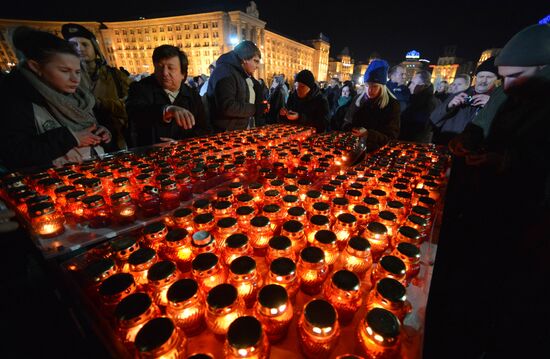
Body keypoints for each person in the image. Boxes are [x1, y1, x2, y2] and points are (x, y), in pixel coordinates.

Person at [424, 23, 550, 359]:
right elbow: (482, 126)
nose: (506, 86)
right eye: (503, 78)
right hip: (484, 206)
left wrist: (504, 160)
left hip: (526, 226)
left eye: (516, 76)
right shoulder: (508, 96)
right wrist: (468, 141)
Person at [0, 27, 111, 170]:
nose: (75, 79)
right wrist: (71, 138)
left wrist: (101, 133)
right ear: (35, 67)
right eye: (64, 71)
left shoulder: (79, 97)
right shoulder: (15, 101)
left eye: (77, 72)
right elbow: (15, 154)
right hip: (52, 184)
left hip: (93, 173)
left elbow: (88, 129)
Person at [62, 23, 131, 150]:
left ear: (95, 47)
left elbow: (130, 107)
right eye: (73, 45)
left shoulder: (116, 75)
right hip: (84, 144)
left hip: (117, 138)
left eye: (84, 44)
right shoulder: (63, 79)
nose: (79, 49)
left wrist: (99, 103)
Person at [125, 45, 209, 147]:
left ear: (183, 73)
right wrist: (166, 110)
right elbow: (135, 111)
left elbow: (203, 130)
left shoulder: (192, 95)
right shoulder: (141, 88)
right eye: (160, 67)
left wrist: (181, 144)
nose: (164, 73)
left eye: (170, 68)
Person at [430, 57, 499, 145]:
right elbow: (433, 120)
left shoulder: (499, 99)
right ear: (475, 77)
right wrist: (448, 107)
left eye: (489, 77)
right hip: (449, 145)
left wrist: (492, 106)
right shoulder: (459, 94)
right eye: (481, 76)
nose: (484, 80)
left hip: (477, 152)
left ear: (496, 80)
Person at [206, 40, 267, 132]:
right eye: (255, 61)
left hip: (235, 131)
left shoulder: (240, 74)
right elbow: (227, 106)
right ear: (244, 59)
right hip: (224, 133)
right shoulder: (225, 72)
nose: (257, 66)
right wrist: (255, 108)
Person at [342, 59, 400, 151]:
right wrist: (352, 129)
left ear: (382, 86)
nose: (369, 90)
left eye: (374, 86)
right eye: (367, 85)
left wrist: (369, 134)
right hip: (354, 149)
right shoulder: (358, 100)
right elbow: (346, 122)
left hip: (377, 153)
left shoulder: (392, 104)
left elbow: (391, 136)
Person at [399, 70, 438, 143]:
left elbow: (419, 128)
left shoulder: (428, 103)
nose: (409, 86)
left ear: (422, 85)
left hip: (413, 144)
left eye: (413, 83)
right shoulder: (415, 98)